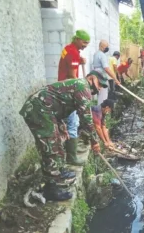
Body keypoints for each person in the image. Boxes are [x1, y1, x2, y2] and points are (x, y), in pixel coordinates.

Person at [19, 70, 108, 201]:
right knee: (51, 147)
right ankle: (51, 189)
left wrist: (61, 127)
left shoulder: (79, 85)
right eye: (99, 84)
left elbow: (58, 103)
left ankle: (59, 172)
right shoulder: (83, 87)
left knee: (57, 142)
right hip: (38, 110)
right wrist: (94, 142)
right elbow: (86, 119)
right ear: (92, 78)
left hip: (47, 111)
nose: (99, 88)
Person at [57, 29, 90, 165]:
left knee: (67, 123)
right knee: (73, 123)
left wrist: (80, 60)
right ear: (76, 39)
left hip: (62, 87)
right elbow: (72, 76)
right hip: (68, 91)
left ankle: (68, 154)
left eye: (87, 43)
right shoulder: (73, 53)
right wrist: (80, 90)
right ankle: (72, 159)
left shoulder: (68, 49)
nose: (85, 45)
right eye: (83, 42)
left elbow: (70, 65)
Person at [93, 40, 120, 105]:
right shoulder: (102, 55)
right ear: (102, 46)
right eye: (106, 46)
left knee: (100, 95)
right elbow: (106, 69)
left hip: (96, 75)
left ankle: (100, 110)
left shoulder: (96, 54)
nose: (107, 48)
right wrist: (115, 79)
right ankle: (102, 110)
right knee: (103, 96)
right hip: (101, 77)